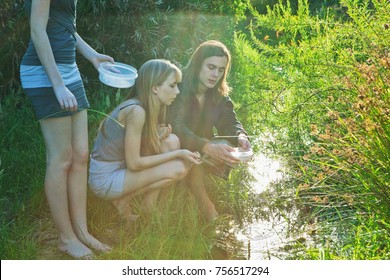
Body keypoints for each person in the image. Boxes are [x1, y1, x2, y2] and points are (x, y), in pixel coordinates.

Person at [20, 0, 114, 259]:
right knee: (61, 159)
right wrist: (58, 85)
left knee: (80, 155)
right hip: (44, 73)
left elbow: (65, 24)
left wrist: (92, 55)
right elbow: (38, 29)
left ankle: (81, 232)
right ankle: (65, 238)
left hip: (68, 70)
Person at [88, 59, 201, 222]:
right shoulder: (136, 111)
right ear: (155, 88)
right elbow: (134, 163)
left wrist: (155, 134)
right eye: (172, 85)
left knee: (172, 141)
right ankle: (122, 199)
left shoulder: (146, 107)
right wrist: (180, 153)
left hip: (120, 168)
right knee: (179, 167)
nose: (177, 91)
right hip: (105, 180)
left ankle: (148, 205)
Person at [167, 40, 251, 222]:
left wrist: (241, 136)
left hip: (199, 148)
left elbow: (230, 122)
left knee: (227, 145)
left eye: (221, 70)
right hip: (171, 146)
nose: (215, 74)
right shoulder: (179, 88)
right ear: (198, 64)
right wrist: (205, 146)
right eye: (211, 67)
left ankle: (198, 193)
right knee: (196, 151)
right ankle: (207, 207)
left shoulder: (218, 94)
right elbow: (175, 125)